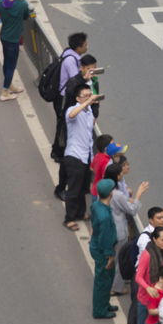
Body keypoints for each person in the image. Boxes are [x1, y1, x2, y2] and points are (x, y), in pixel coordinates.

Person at [106, 158, 147, 295]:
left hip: (108, 228)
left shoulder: (106, 189)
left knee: (110, 257)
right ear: (117, 176)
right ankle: (116, 287)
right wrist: (139, 194)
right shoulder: (117, 195)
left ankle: (109, 283)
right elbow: (132, 210)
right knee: (119, 259)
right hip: (119, 231)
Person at [61, 85, 100, 230]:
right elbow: (72, 116)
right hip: (74, 154)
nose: (89, 97)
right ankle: (69, 218)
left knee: (83, 187)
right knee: (73, 188)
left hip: (86, 155)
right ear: (78, 98)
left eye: (90, 95)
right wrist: (87, 102)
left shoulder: (89, 111)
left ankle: (80, 212)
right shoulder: (73, 109)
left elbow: (90, 127)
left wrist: (94, 105)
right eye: (85, 95)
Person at [51, 32, 88, 165]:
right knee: (63, 126)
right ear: (78, 47)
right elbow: (74, 81)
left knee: (62, 124)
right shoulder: (71, 60)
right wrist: (84, 77)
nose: (87, 47)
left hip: (63, 96)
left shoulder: (69, 54)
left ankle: (58, 150)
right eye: (85, 45)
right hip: (63, 98)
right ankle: (58, 152)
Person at [0, 0, 30, 102]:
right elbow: (26, 16)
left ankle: (9, 85)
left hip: (4, 37)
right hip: (14, 39)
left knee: (7, 62)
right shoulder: (22, 4)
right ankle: (5, 92)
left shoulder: (2, 2)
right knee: (11, 66)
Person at [89, 179, 119, 319]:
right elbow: (106, 239)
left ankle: (104, 303)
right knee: (103, 281)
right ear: (110, 194)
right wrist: (110, 255)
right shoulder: (105, 217)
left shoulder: (96, 205)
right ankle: (99, 310)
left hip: (96, 246)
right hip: (103, 252)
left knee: (106, 279)